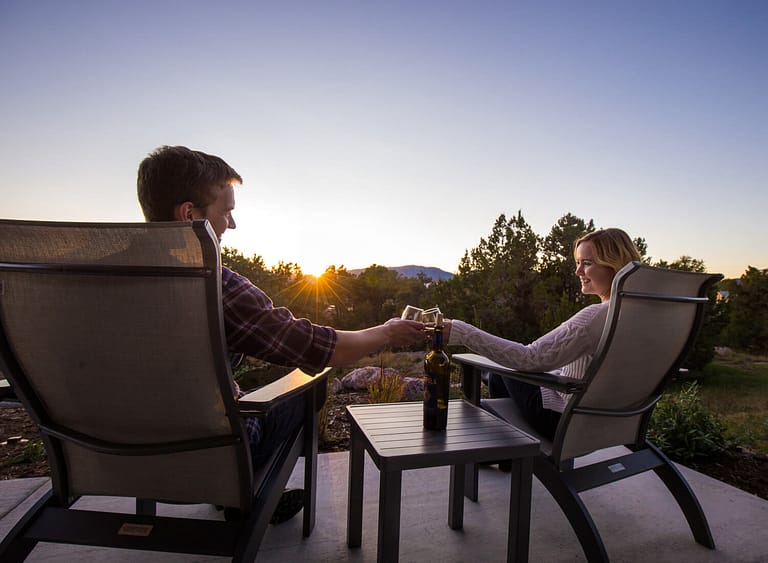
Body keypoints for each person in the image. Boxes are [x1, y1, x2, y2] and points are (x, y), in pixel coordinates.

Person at [136, 145, 425, 522]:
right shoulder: (216, 287)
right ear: (189, 214)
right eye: (226, 212)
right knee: (312, 384)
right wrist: (386, 333)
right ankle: (243, 495)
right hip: (210, 452)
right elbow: (316, 347)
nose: (231, 225)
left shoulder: (81, 280)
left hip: (105, 451)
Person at [442, 228, 642, 445]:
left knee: (506, 368)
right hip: (617, 423)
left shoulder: (598, 316)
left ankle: (506, 449)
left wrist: (459, 331)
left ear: (614, 265)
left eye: (587, 263)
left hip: (568, 425)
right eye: (577, 262)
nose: (578, 272)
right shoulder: (645, 315)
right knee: (501, 374)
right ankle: (507, 450)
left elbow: (528, 358)